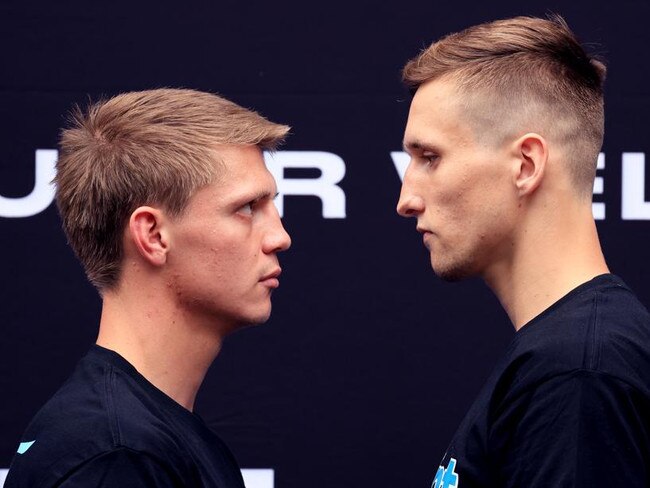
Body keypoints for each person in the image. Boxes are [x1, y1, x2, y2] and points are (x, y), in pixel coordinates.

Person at [396, 15, 650, 487]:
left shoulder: (576, 372)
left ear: (525, 165)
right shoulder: (569, 358)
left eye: (430, 157)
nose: (405, 199)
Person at [5, 88, 292, 487]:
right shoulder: (115, 455)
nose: (280, 237)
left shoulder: (138, 440)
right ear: (154, 235)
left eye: (272, 206)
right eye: (246, 208)